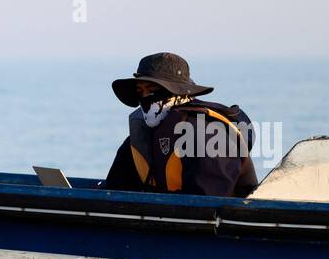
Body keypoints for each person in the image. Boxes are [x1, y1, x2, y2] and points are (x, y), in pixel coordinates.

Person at [101, 52, 258, 197]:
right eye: (140, 91)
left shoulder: (208, 132)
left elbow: (207, 200)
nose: (146, 98)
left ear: (179, 93)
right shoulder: (142, 134)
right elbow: (115, 189)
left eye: (152, 90)